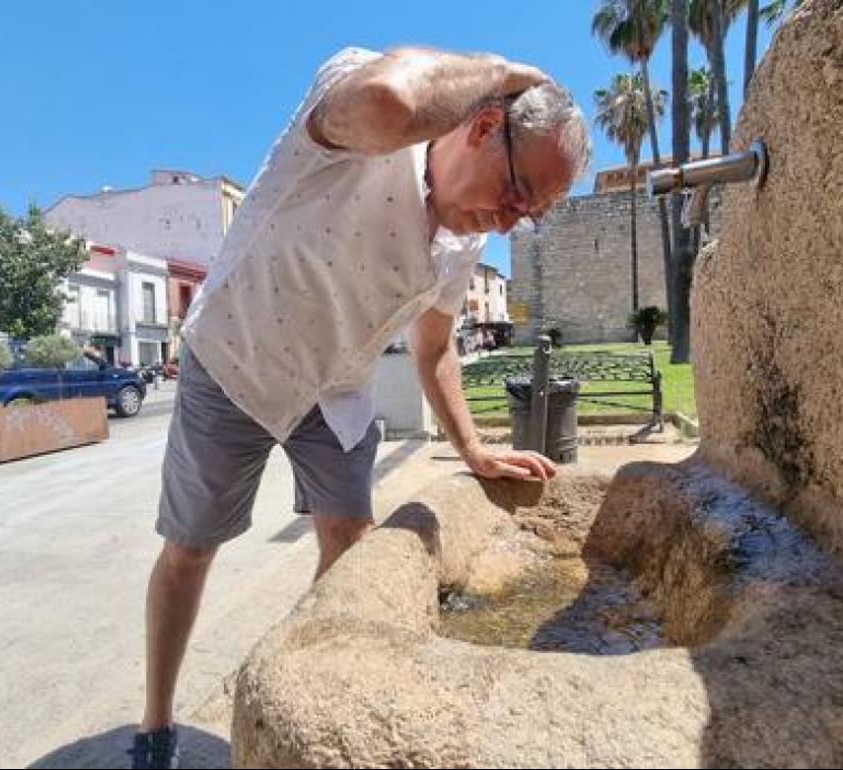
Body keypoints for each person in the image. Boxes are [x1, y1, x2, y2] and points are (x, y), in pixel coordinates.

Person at [131, 45, 590, 769]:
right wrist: (502, 69)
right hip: (237, 358)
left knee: (352, 546)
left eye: (529, 214)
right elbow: (390, 99)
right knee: (191, 548)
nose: (509, 223)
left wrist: (473, 450)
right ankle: (155, 728)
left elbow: (434, 346)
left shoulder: (462, 237)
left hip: (335, 390)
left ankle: (288, 683)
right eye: (517, 190)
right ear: (482, 125)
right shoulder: (362, 129)